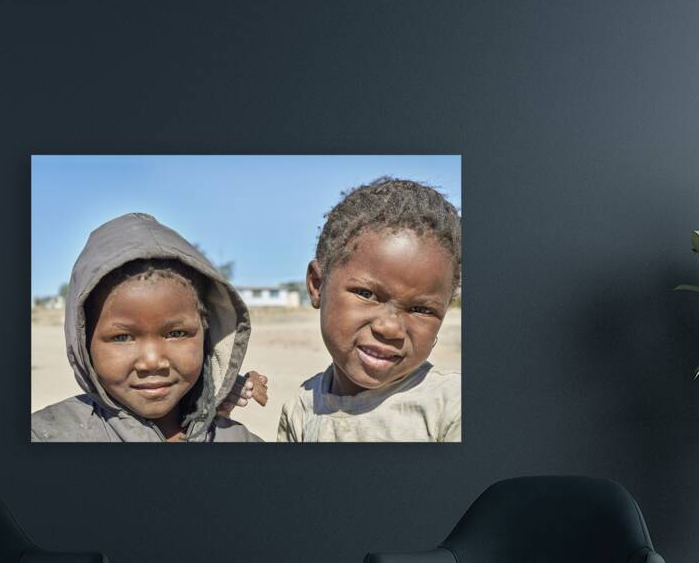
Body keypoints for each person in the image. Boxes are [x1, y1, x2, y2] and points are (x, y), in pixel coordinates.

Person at [31, 212, 267, 443]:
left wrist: (212, 396)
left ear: (207, 335)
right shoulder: (46, 436)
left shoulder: (240, 440)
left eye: (176, 334)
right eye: (122, 337)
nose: (153, 361)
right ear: (84, 344)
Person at [277, 177, 461, 442]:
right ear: (318, 285)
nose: (390, 328)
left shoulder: (451, 406)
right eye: (367, 294)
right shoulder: (302, 409)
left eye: (421, 309)